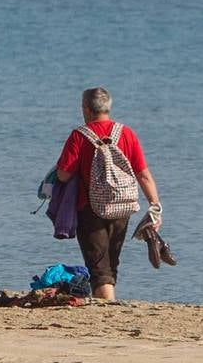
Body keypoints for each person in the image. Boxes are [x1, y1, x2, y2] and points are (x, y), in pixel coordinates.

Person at [53, 87, 162, 301]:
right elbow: (143, 174)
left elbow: (64, 175)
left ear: (86, 108)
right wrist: (155, 206)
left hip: (90, 208)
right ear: (108, 107)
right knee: (111, 262)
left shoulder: (79, 136)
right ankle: (108, 300)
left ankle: (107, 305)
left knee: (98, 267)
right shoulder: (126, 133)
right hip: (122, 206)